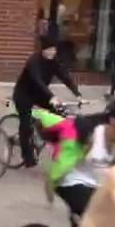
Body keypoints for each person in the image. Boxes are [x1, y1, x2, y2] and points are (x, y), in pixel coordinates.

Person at [40, 96, 115, 222]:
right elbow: (61, 162)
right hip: (72, 181)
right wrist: (50, 187)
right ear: (114, 121)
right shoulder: (89, 136)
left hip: (98, 185)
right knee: (97, 213)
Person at [13, 36, 82, 168]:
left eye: (53, 50)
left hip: (40, 94)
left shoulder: (53, 61)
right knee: (25, 124)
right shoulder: (33, 61)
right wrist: (51, 96)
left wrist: (77, 94)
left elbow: (64, 76)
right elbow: (37, 80)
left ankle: (48, 137)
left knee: (60, 114)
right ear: (43, 50)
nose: (51, 53)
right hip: (24, 94)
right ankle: (27, 156)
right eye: (49, 50)